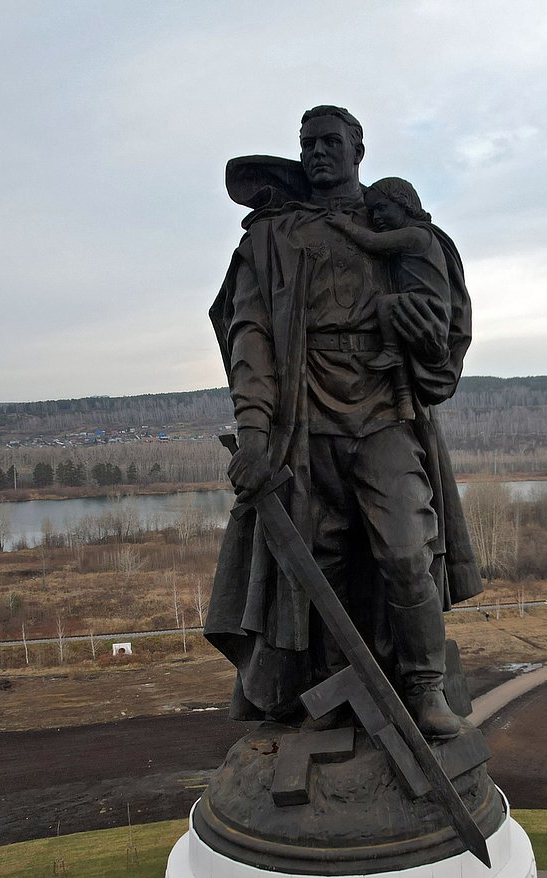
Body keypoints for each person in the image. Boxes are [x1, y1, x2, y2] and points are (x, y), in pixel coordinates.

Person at [204, 105, 481, 740]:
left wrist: (429, 346)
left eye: (330, 142)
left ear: (359, 149)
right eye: (307, 144)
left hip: (384, 412)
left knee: (408, 550)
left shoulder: (403, 229)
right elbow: (250, 338)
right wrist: (252, 431)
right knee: (314, 565)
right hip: (302, 421)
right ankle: (331, 693)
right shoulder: (271, 238)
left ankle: (424, 686)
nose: (317, 153)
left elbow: (446, 343)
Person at [326, 177, 451, 421]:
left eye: (382, 208)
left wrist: (345, 225)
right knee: (397, 336)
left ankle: (391, 352)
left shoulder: (416, 235)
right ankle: (404, 402)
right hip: (414, 304)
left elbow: (373, 243)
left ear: (404, 204)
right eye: (372, 211)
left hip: (427, 307)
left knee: (384, 305)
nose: (376, 217)